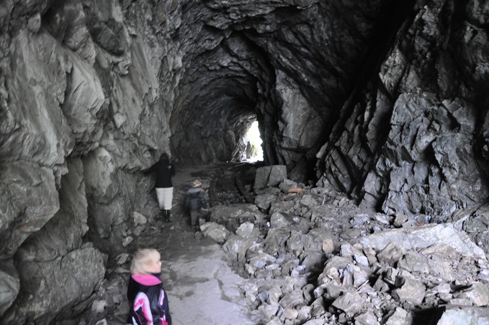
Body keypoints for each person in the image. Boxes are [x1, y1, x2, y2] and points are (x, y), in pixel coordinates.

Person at [127, 248, 172, 325]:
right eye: (157, 262)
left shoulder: (136, 279)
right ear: (147, 267)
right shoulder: (152, 290)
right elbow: (154, 318)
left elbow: (131, 298)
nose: (160, 263)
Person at [143, 153, 175, 222]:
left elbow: (149, 171)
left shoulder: (157, 164)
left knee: (161, 199)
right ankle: (167, 218)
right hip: (168, 185)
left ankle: (162, 211)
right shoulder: (170, 165)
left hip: (159, 185)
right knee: (168, 201)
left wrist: (143, 170)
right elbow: (173, 173)